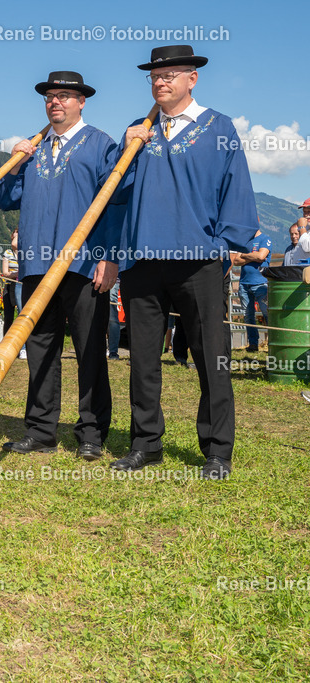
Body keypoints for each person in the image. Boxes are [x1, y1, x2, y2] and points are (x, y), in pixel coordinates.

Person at [111, 45, 259, 480]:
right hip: (143, 259)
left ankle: (216, 451)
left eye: (171, 74)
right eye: (155, 75)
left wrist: (224, 244)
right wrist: (126, 148)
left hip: (199, 260)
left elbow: (237, 189)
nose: (161, 81)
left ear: (192, 78)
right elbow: (115, 196)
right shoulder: (139, 131)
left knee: (210, 357)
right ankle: (145, 445)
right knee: (142, 359)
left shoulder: (219, 127)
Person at [0, 71, 119, 461]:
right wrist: (15, 163)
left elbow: (116, 205)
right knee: (40, 348)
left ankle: (92, 432)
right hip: (36, 265)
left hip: (84, 265)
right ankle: (41, 429)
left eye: (65, 96)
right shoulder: (34, 148)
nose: (55, 102)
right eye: (50, 96)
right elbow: (3, 197)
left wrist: (109, 256)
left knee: (89, 350)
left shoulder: (101, 144)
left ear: (82, 102)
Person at [233, 228, 271, 352]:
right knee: (248, 316)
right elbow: (236, 261)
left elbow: (261, 256)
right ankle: (253, 343)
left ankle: (272, 342)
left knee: (267, 314)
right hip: (244, 283)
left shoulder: (265, 239)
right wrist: (253, 257)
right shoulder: (244, 241)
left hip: (261, 283)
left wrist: (244, 255)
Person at [0, 228, 25, 359]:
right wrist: (17, 274)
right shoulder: (7, 253)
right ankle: (6, 346)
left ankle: (22, 347)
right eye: (13, 237)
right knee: (9, 317)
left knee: (22, 314)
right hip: (10, 287)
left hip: (21, 285)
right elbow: (5, 273)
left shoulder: (24, 253)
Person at [283, 199, 310, 266]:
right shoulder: (307, 228)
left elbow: (307, 246)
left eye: (309, 212)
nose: (306, 215)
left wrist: (302, 228)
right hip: (298, 271)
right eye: (304, 212)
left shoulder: (303, 229)